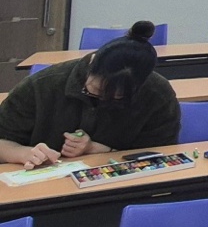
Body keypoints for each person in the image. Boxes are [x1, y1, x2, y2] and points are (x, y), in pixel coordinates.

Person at [0, 21, 180, 169]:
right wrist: (23, 153)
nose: (102, 100)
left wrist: (97, 148)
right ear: (92, 63)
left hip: (120, 186)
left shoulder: (157, 94)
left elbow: (161, 154)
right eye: (95, 91)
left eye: (116, 98)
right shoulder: (41, 85)